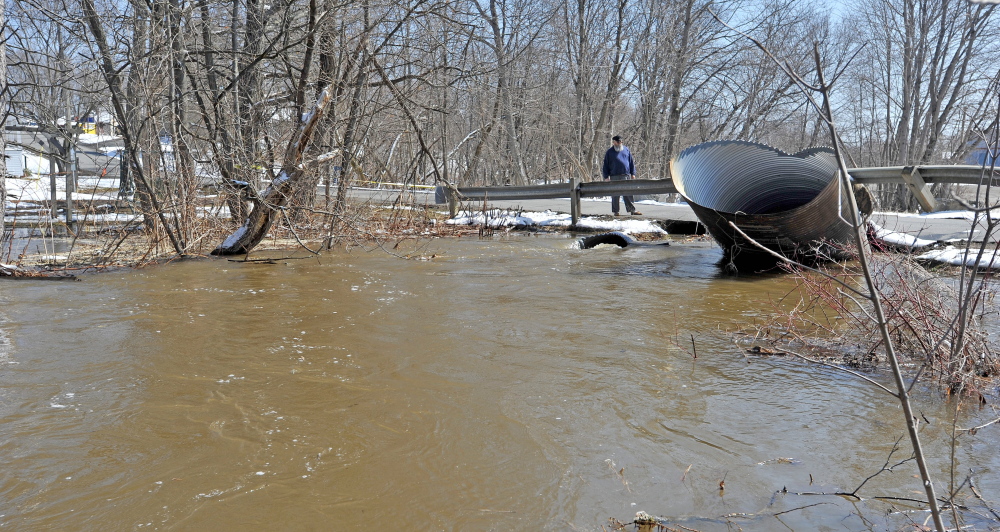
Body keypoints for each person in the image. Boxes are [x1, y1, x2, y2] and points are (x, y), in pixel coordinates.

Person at [601, 135, 642, 216]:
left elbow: (631, 162)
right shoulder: (609, 152)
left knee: (628, 193)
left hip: (626, 175)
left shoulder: (626, 150)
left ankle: (632, 210)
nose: (620, 143)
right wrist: (606, 176)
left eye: (621, 142)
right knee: (615, 194)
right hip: (614, 175)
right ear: (614, 142)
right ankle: (616, 211)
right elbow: (605, 165)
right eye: (618, 142)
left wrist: (633, 173)